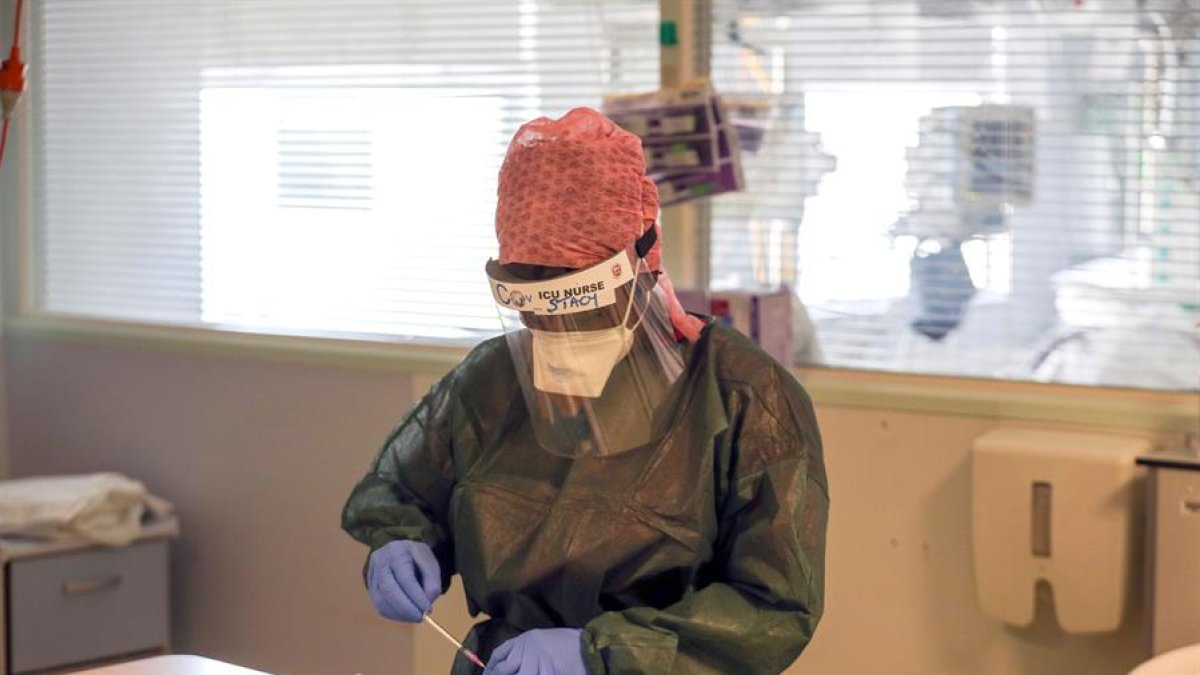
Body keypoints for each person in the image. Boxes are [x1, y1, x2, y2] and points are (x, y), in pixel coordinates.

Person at [341, 107, 829, 675]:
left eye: (574, 306)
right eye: (533, 310)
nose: (553, 335)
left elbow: (774, 607)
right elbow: (407, 491)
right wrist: (402, 545)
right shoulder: (492, 380)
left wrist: (599, 654)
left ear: (637, 265)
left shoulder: (746, 397)